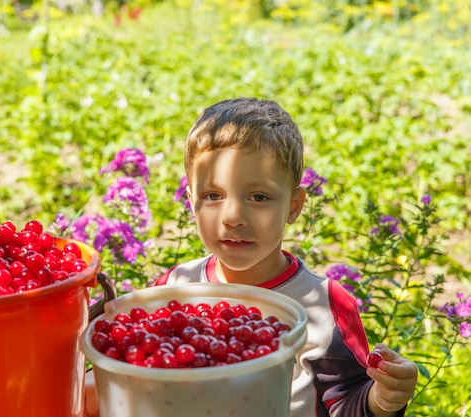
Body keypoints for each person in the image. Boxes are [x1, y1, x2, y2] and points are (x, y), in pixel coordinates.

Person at [83, 97, 418, 417]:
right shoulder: (174, 289)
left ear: (294, 206)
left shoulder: (324, 307)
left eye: (258, 196)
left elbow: (347, 403)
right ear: (191, 200)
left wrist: (381, 399)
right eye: (213, 195)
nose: (233, 216)